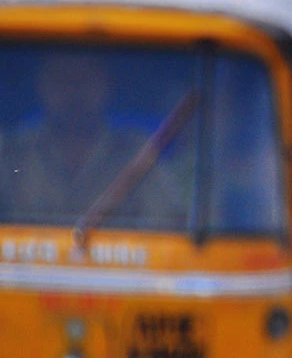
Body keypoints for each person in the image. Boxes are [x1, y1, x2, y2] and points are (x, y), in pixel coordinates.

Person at [1, 52, 184, 227]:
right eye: (60, 79)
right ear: (40, 85)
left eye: (85, 78)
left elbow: (168, 225)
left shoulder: (138, 155)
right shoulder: (10, 152)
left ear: (107, 85)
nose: (73, 90)